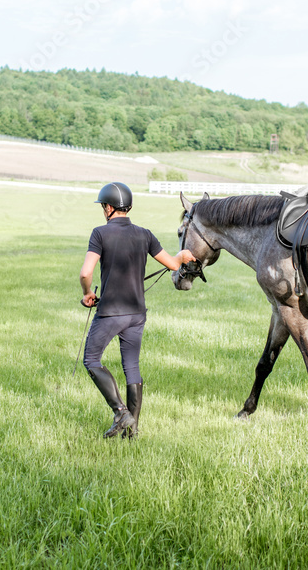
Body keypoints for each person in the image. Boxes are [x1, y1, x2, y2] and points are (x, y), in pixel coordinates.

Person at [79, 182, 196, 439]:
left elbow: (86, 272)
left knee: (91, 359)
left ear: (109, 208)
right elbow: (173, 264)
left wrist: (88, 293)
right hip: (136, 314)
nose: (103, 210)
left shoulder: (100, 234)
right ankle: (132, 432)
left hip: (110, 312)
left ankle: (121, 411)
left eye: (103, 206)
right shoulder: (145, 234)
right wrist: (183, 255)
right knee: (131, 366)